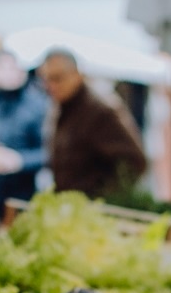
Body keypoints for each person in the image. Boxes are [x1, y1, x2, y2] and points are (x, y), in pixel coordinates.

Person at [40, 49, 148, 199]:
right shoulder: (61, 106)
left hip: (93, 210)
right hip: (69, 207)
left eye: (57, 78)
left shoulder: (99, 110)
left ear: (77, 75)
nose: (51, 86)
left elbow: (134, 162)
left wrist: (102, 200)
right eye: (46, 79)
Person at [0, 50, 49, 214]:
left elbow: (50, 151)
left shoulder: (38, 105)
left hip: (23, 195)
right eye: (3, 67)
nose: (9, 73)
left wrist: (20, 160)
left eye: (14, 68)